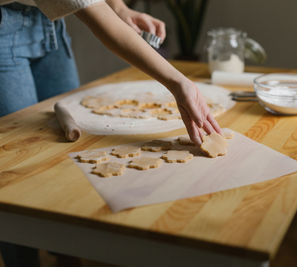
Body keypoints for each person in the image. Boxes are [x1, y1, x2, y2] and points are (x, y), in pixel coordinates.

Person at [0, 0, 221, 266]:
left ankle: (67, 258)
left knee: (68, 155)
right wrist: (178, 81)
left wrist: (119, 8)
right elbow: (102, 23)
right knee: (17, 170)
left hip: (50, 20)